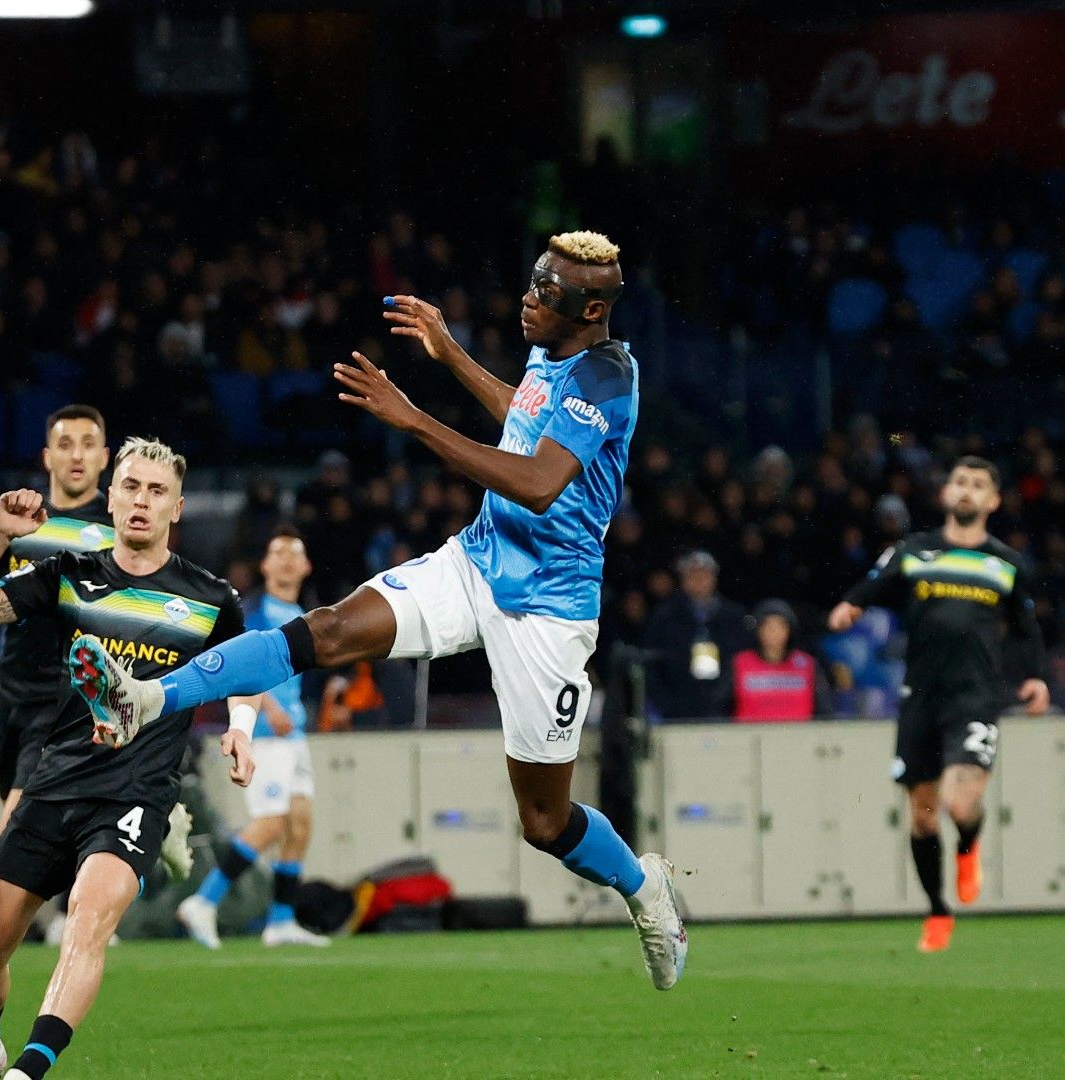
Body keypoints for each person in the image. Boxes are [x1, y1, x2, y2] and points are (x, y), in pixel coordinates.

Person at [69, 231, 690, 991]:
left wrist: (413, 419)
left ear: (591, 309)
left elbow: (535, 480)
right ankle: (145, 698)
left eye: (547, 294)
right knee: (326, 630)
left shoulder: (607, 374)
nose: (528, 299)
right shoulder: (551, 352)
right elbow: (524, 416)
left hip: (548, 608)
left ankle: (641, 886)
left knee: (544, 824)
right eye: (531, 283)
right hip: (477, 561)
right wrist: (449, 353)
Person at [0, 438, 257, 1080]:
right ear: (110, 498)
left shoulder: (211, 598)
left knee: (87, 919)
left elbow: (244, 670)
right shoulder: (69, 576)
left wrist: (240, 726)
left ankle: (27, 1071)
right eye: (131, 487)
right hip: (55, 783)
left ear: (178, 508)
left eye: (157, 491)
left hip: (136, 792)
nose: (142, 501)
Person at [0, 406, 193, 1049]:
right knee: (26, 849)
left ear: (107, 458)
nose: (80, 455)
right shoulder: (27, 523)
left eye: (91, 445)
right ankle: (150, 828)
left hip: (71, 709)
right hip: (16, 702)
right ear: (48, 456)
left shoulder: (114, 529)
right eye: (67, 444)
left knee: (14, 835)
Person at [828, 456, 1049, 953]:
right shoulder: (914, 551)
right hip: (920, 696)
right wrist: (851, 604)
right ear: (947, 493)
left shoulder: (1006, 564)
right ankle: (937, 910)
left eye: (979, 484)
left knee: (960, 803)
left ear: (993, 501)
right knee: (924, 816)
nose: (967, 490)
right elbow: (874, 583)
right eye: (960, 482)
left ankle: (968, 847)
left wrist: (1035, 677)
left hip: (975, 695)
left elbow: (1027, 627)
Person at [176, 530, 331, 949]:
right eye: (276, 553)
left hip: (293, 737)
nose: (284, 561)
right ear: (265, 566)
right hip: (265, 735)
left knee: (300, 825)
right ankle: (203, 902)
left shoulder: (300, 613)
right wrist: (273, 711)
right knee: (273, 822)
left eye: (292, 554)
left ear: (305, 566)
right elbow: (245, 667)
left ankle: (280, 921)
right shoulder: (257, 614)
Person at [644, 550, 752, 721]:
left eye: (705, 574)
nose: (699, 580)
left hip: (725, 709)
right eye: (693, 574)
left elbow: (744, 660)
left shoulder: (734, 616)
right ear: (683, 579)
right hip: (677, 709)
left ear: (714, 578)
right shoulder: (665, 616)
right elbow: (653, 665)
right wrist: (667, 704)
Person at [731, 599, 822, 722]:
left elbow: (824, 711)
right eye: (768, 626)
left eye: (781, 626)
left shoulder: (807, 664)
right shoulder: (740, 664)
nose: (774, 632)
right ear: (759, 630)